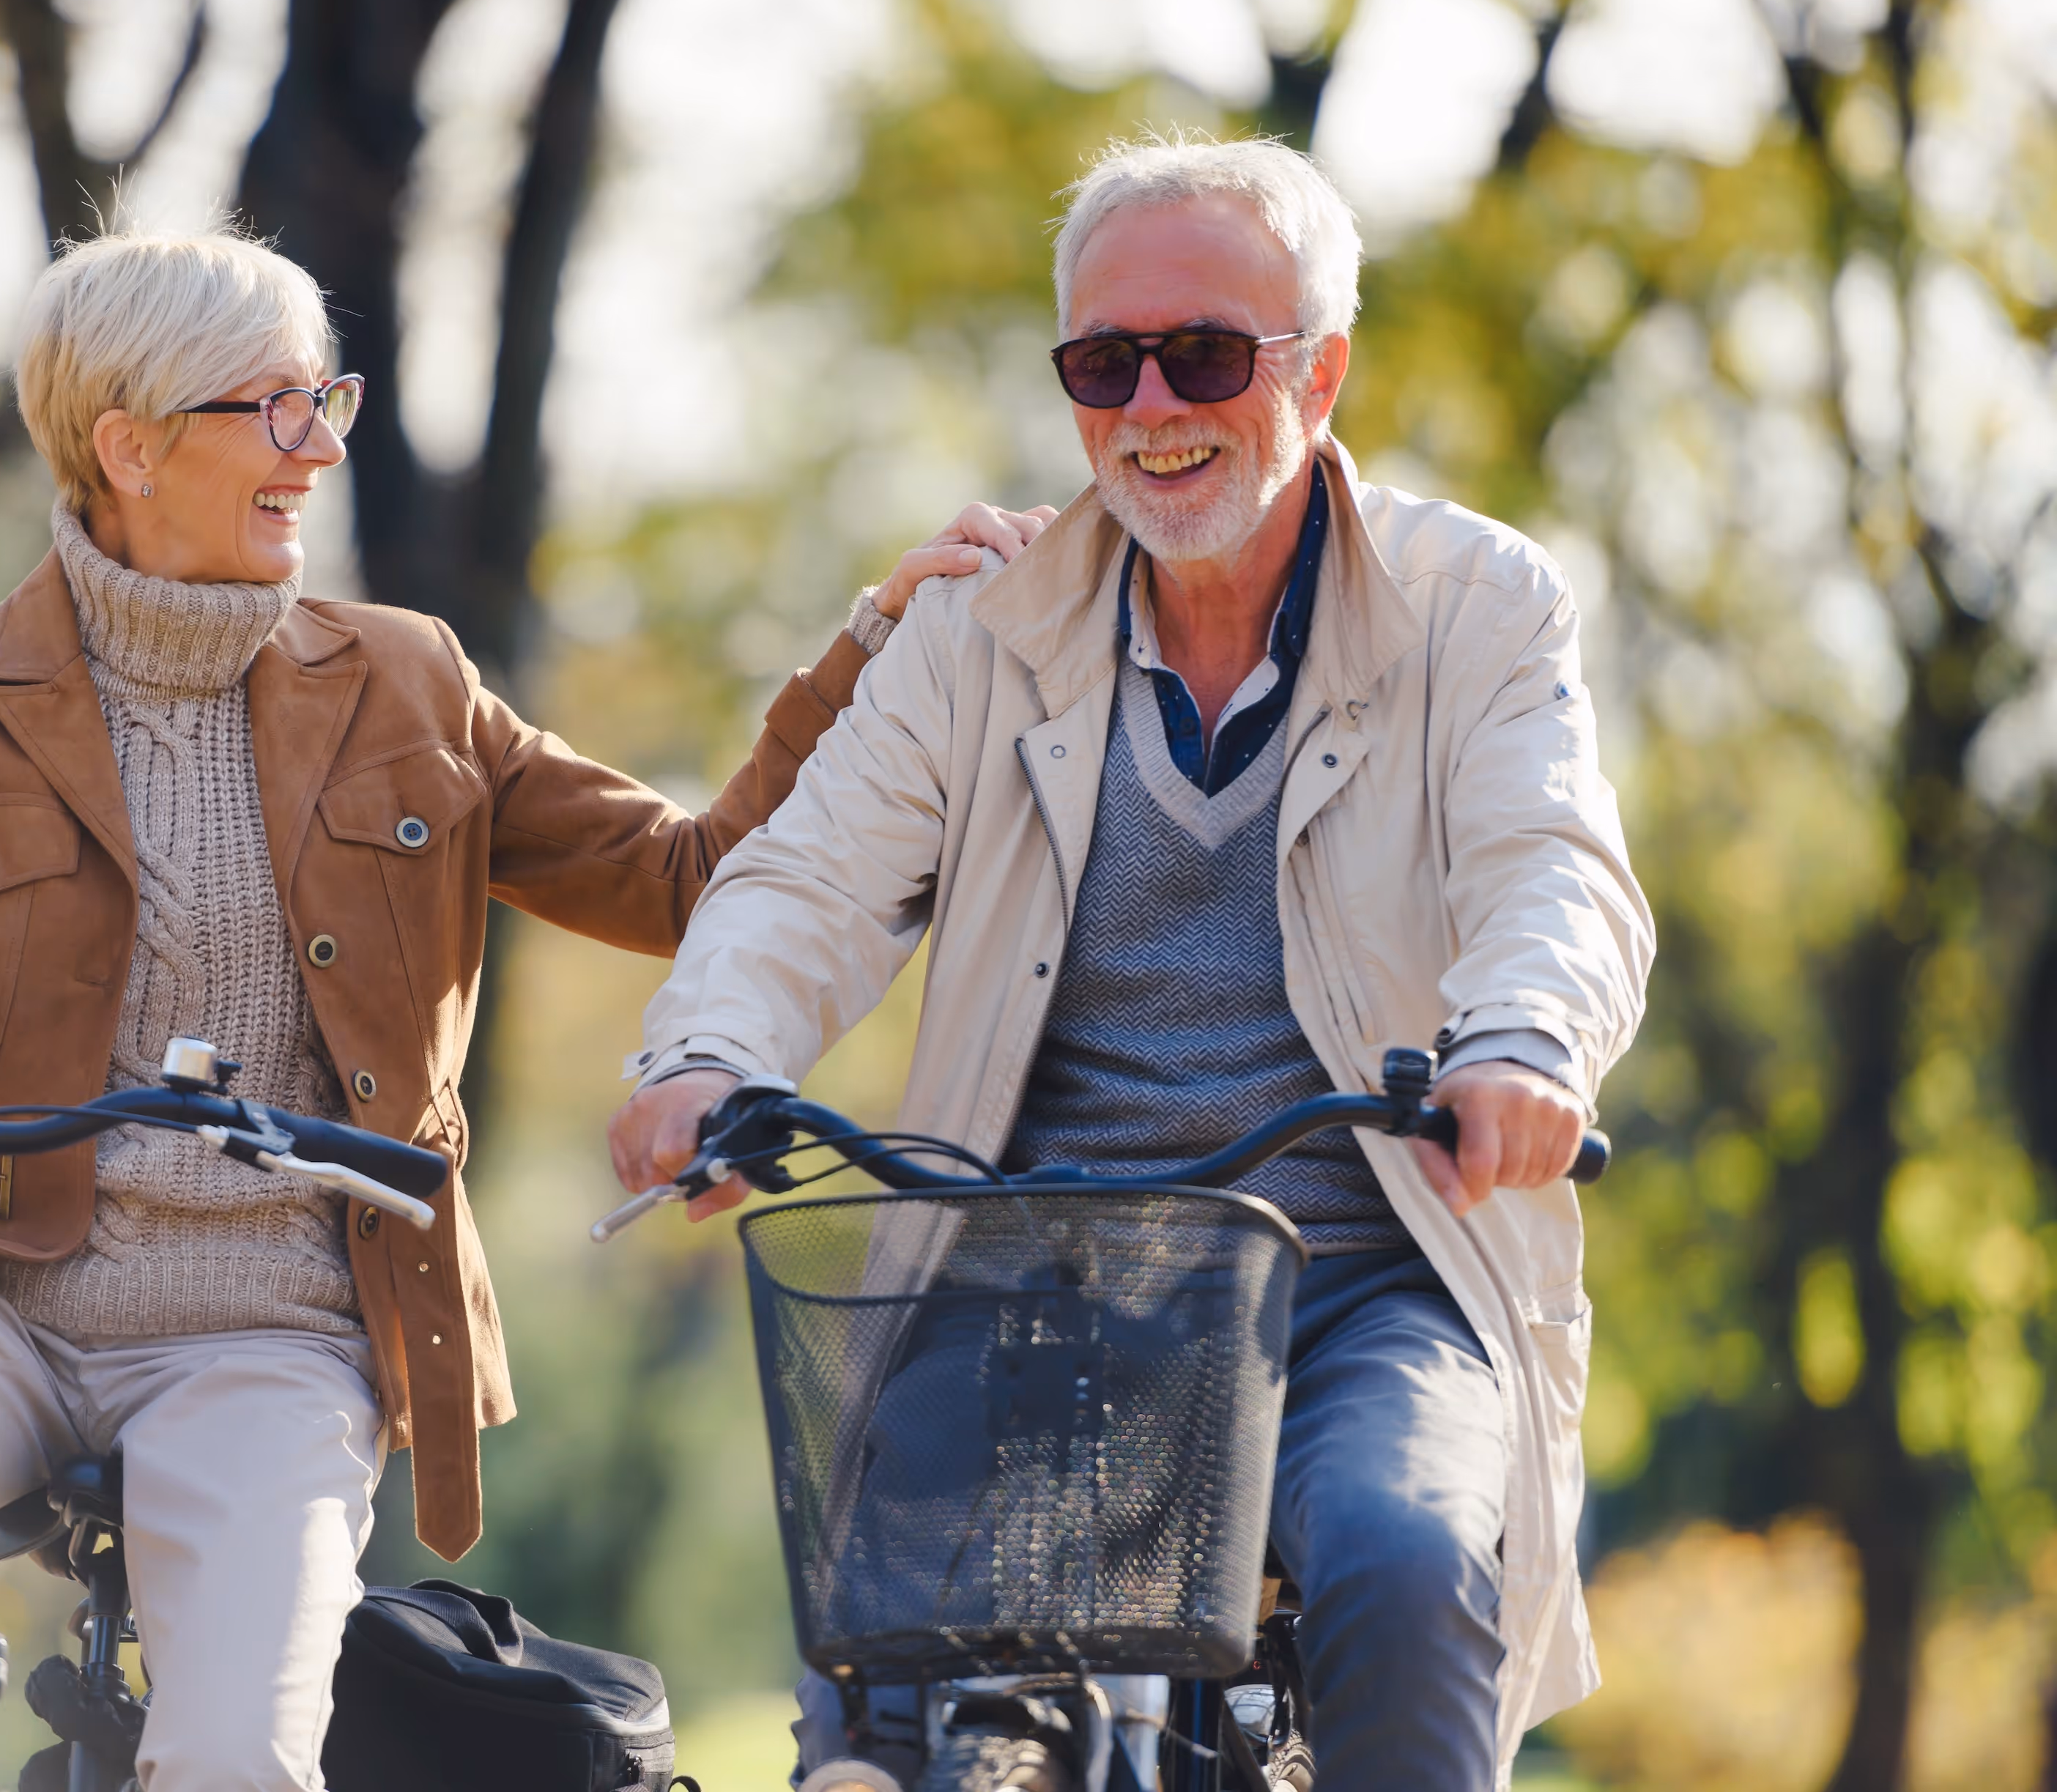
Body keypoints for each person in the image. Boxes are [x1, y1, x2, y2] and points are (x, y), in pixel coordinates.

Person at [0, 226, 1050, 1792]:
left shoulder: (408, 684)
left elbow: (679, 873)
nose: (316, 447)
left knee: (237, 1761)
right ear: (130, 446)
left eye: (328, 401)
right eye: (274, 409)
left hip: (274, 1331)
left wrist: (863, 650)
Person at [608, 135, 1654, 1788]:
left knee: (1406, 1556)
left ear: (1321, 370)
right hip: (1035, 1277)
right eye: (1104, 362)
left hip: (1367, 1271)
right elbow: (803, 878)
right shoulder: (979, 630)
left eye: (1206, 355)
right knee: (888, 1690)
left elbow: (1551, 863)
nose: (1151, 405)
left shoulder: (1478, 605)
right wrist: (699, 1053)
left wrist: (1520, 1042)